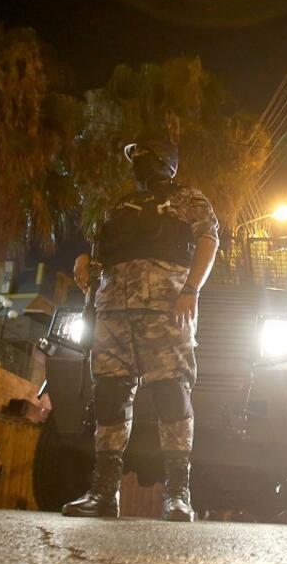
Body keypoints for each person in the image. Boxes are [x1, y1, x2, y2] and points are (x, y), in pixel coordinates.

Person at [63, 135, 219, 521]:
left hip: (165, 310)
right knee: (110, 397)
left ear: (165, 160)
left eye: (145, 156)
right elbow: (101, 250)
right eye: (135, 158)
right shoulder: (119, 205)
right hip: (113, 311)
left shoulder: (189, 198)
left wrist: (191, 290)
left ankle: (178, 494)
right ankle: (102, 492)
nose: (138, 164)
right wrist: (84, 260)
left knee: (171, 394)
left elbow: (209, 240)